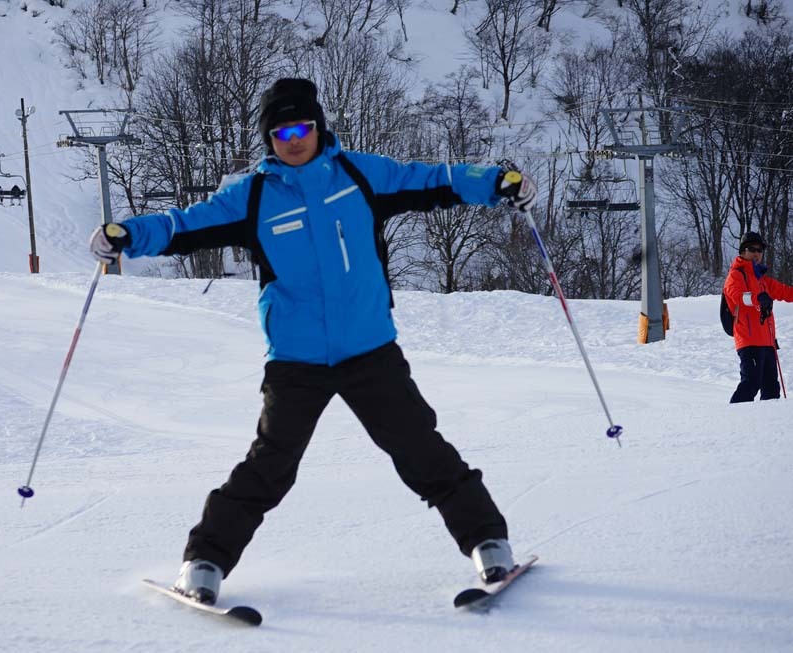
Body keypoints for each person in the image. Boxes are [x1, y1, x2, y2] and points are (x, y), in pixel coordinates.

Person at [89, 78, 537, 605]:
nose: (293, 139)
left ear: (319, 128)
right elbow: (180, 226)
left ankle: (488, 544)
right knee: (269, 467)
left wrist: (497, 182)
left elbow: (437, 179)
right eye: (280, 132)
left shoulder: (360, 175)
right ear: (268, 140)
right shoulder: (253, 197)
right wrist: (126, 235)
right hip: (296, 361)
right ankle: (203, 564)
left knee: (421, 450)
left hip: (369, 350)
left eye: (302, 127)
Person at [724, 231, 793, 403]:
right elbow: (738, 296)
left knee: (771, 389)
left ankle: (767, 419)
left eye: (759, 250)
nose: (756, 253)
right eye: (751, 249)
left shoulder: (763, 280)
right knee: (751, 383)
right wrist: (758, 298)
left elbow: (785, 292)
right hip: (748, 340)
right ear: (743, 251)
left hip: (767, 342)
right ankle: (731, 416)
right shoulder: (735, 275)